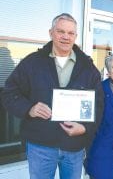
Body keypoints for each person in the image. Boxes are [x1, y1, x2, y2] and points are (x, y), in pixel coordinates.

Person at [0, 13, 103, 179]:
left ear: (76, 36)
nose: (65, 37)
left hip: (74, 147)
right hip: (40, 145)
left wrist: (85, 128)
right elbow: (9, 93)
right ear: (51, 33)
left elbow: (99, 105)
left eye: (70, 33)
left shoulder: (88, 68)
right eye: (61, 31)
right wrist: (29, 108)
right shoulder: (32, 62)